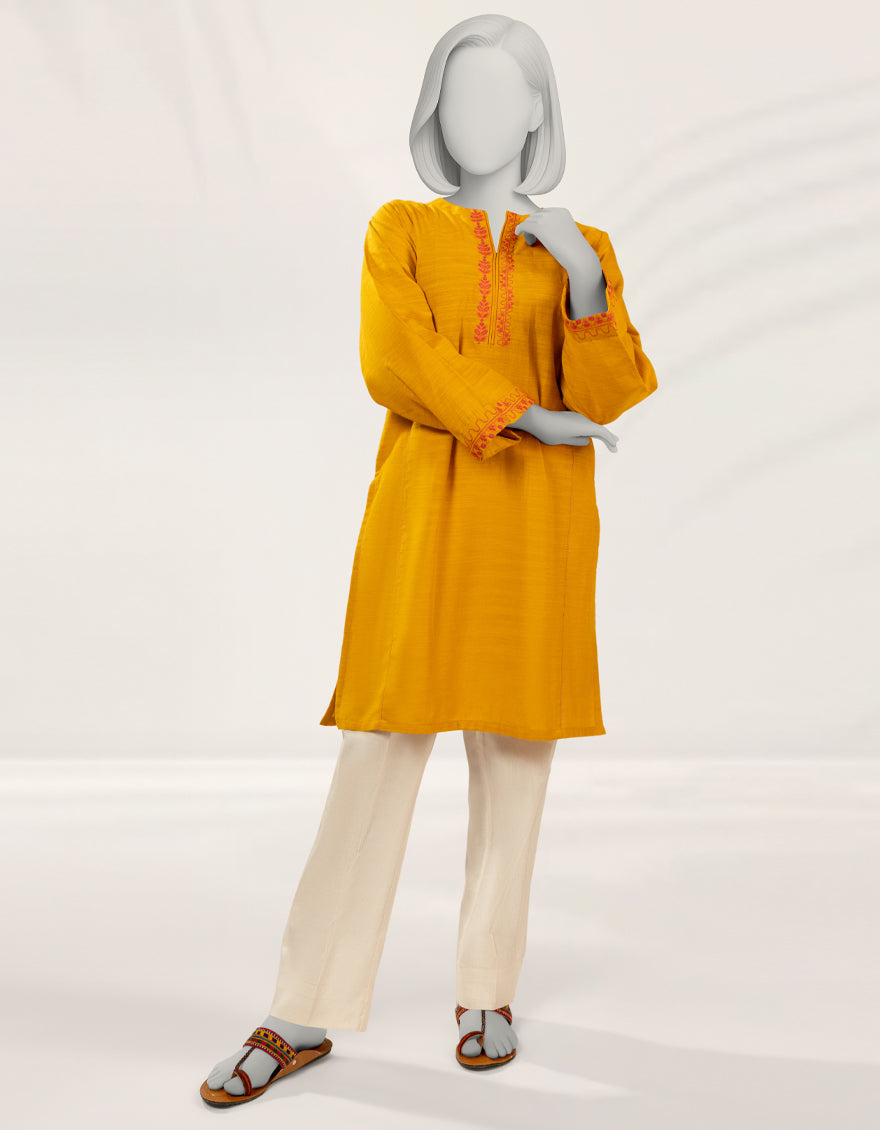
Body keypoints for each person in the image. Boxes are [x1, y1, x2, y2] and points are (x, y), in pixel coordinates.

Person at [200, 13, 657, 1107]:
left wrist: (584, 284)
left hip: (536, 532)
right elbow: (394, 356)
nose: (476, 117)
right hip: (425, 517)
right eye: (457, 96)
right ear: (431, 113)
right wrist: (524, 414)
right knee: (377, 751)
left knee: (517, 762)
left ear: (539, 111)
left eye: (500, 95)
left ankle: (487, 992)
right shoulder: (400, 228)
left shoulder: (584, 245)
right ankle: (300, 1008)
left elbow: (609, 394)